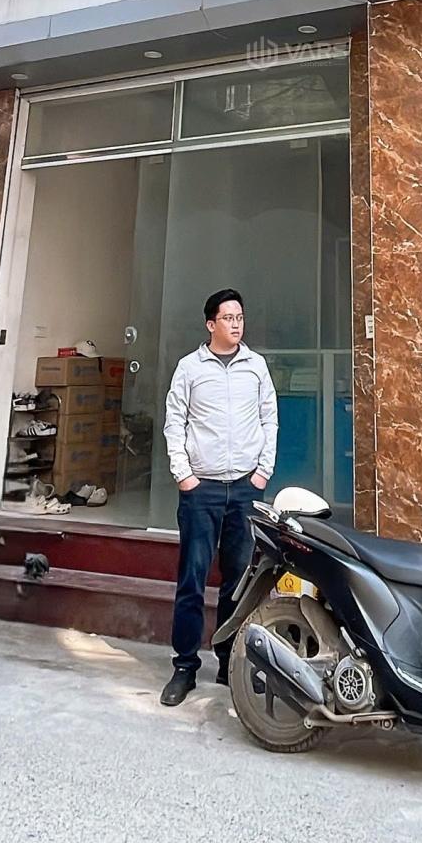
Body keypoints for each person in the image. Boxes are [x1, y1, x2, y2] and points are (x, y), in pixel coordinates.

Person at [160, 287, 278, 708]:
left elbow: (269, 418)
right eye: (228, 318)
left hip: (245, 489)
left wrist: (262, 472)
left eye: (240, 317)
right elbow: (174, 421)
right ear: (211, 324)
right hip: (202, 490)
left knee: (238, 580)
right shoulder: (190, 368)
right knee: (192, 579)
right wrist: (184, 475)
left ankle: (230, 662)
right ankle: (184, 667)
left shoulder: (256, 366)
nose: (236, 324)